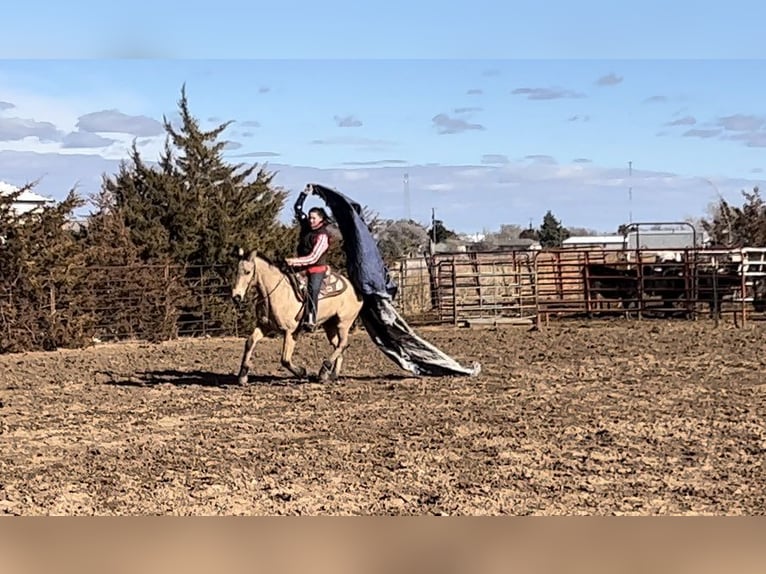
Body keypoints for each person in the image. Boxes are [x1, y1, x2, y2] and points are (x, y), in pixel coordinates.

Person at [285, 185, 332, 331]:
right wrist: (304, 194)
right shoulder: (306, 225)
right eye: (310, 217)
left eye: (314, 218)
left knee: (313, 290)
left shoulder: (322, 235)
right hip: (301, 266)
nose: (310, 220)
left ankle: (311, 318)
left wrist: (294, 261)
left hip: (316, 268)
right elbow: (298, 208)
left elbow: (313, 257)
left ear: (321, 219)